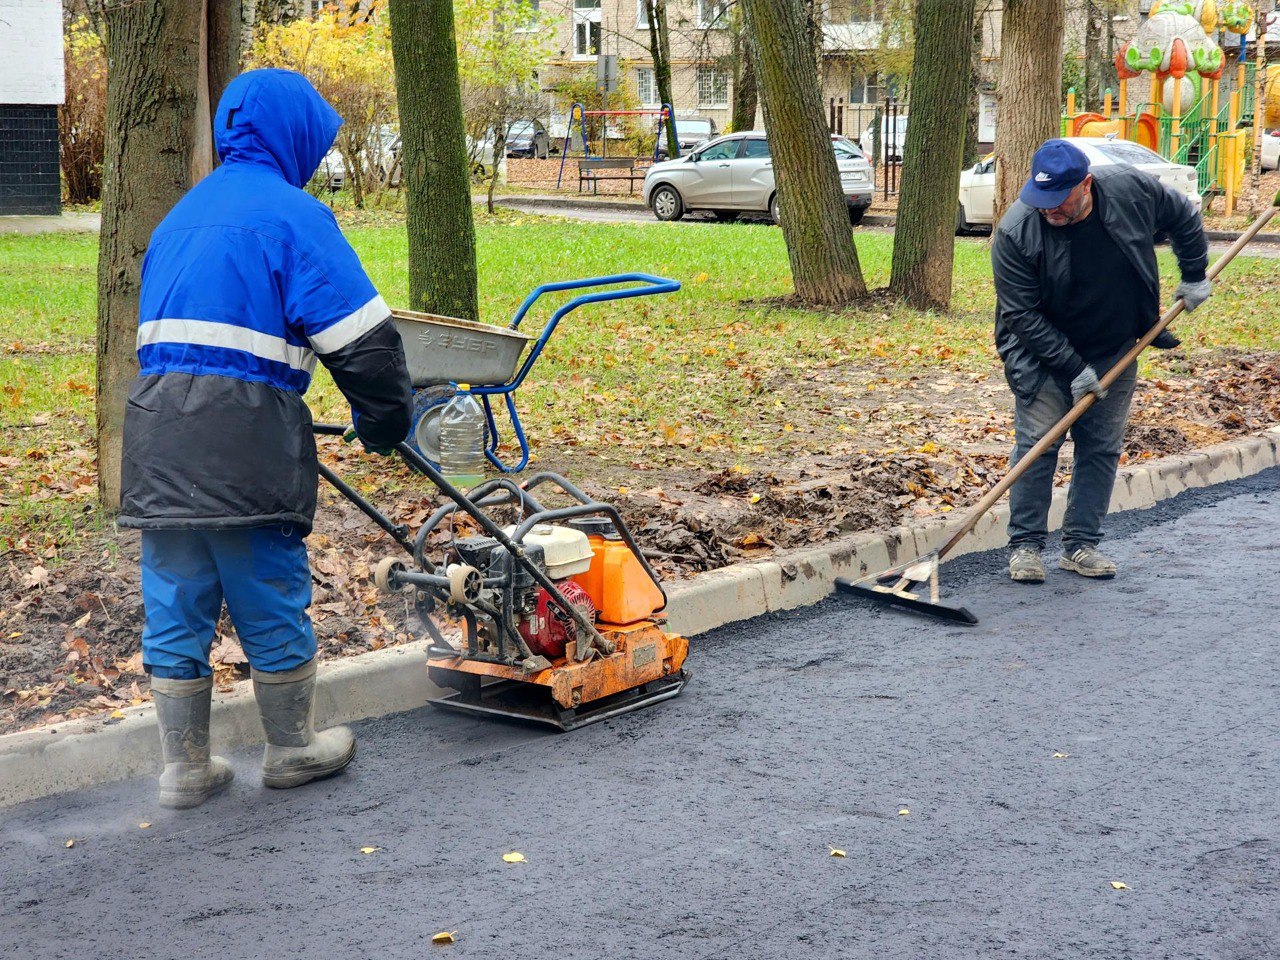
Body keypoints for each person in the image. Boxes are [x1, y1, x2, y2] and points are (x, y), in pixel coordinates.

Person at [118, 69, 413, 809]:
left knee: (177, 596)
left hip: (157, 437)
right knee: (266, 587)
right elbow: (364, 344)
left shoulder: (177, 218)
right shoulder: (294, 216)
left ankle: (184, 768)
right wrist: (385, 423)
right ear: (295, 137)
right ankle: (291, 748)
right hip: (245, 440)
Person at [991, 139, 1210, 585]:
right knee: (1038, 447)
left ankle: (1080, 545)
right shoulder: (1017, 230)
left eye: (1059, 201)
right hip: (1042, 354)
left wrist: (1194, 275)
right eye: (1041, 198)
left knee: (1101, 447)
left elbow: (1184, 217)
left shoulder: (1130, 190)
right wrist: (1073, 368)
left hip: (1115, 345)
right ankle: (1025, 547)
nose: (1048, 209)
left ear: (1085, 184)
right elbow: (1020, 315)